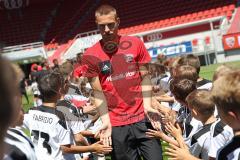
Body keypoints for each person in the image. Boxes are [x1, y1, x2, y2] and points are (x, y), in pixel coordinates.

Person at [81, 4, 162, 160]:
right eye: (101, 26)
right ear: (96, 25)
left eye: (110, 24)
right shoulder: (90, 55)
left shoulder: (136, 43)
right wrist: (105, 121)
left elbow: (145, 77)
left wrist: (147, 105)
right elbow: (98, 92)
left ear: (118, 21)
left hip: (143, 119)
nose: (106, 29)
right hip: (116, 125)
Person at [23, 71, 112, 160]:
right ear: (59, 90)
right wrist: (92, 148)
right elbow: (66, 147)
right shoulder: (59, 117)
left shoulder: (31, 112)